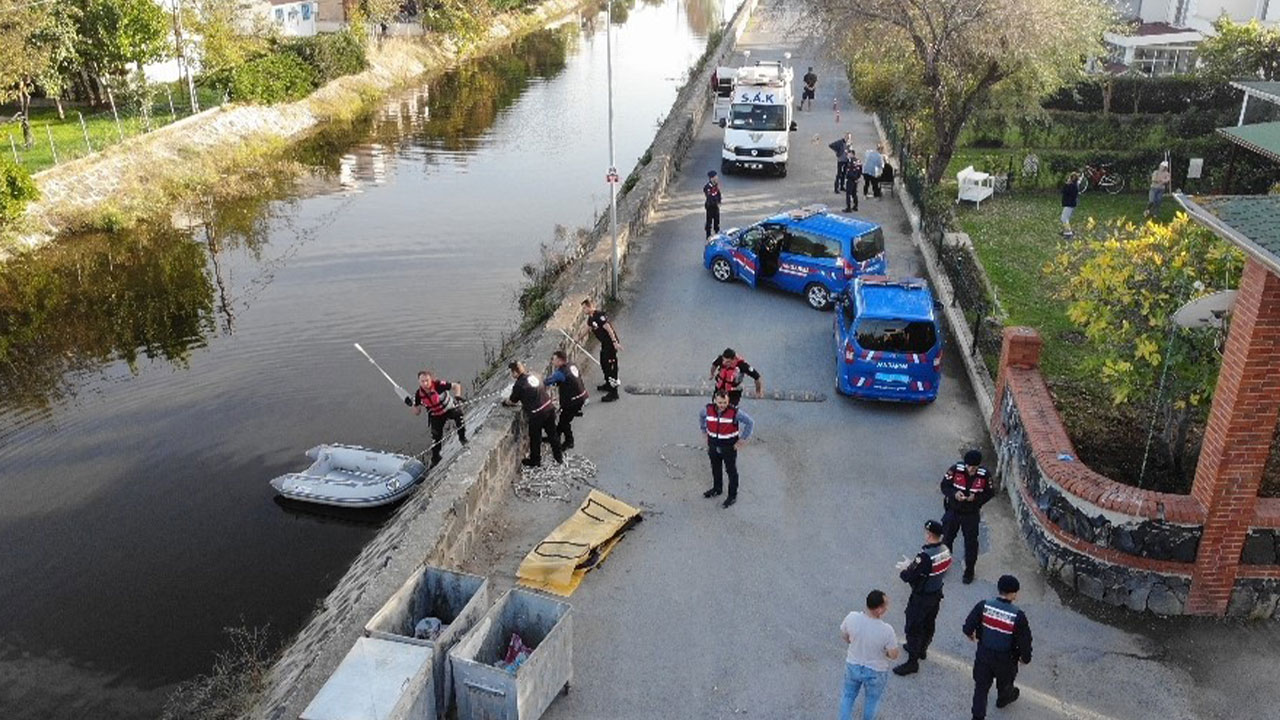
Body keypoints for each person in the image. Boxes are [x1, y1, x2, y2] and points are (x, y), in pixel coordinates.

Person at [964, 575, 1032, 720]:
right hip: (1006, 659)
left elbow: (968, 626)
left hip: (984, 654)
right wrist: (1025, 658)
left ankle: (977, 717)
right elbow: (1025, 640)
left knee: (981, 689)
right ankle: (1003, 699)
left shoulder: (983, 605)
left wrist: (970, 634)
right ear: (1013, 594)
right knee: (1005, 683)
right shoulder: (1018, 616)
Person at [893, 519, 951, 676]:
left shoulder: (925, 556)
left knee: (913, 627)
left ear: (929, 535)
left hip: (922, 597)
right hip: (936, 593)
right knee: (928, 623)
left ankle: (912, 662)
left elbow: (908, 576)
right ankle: (922, 650)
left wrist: (906, 568)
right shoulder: (945, 550)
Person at [838, 589, 900, 720]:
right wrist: (887, 654)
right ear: (878, 610)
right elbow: (893, 654)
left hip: (853, 665)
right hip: (876, 671)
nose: (887, 608)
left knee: (848, 696)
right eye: (885, 605)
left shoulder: (852, 617)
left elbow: (845, 635)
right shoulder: (887, 630)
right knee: (872, 700)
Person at [941, 449, 993, 584]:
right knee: (947, 539)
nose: (971, 470)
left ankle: (969, 570)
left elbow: (990, 493)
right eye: (969, 466)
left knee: (970, 544)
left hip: (971, 514)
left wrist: (976, 498)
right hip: (953, 511)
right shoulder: (955, 470)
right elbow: (944, 486)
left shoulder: (984, 475)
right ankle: (943, 565)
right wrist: (954, 494)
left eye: (974, 467)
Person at [699, 389, 754, 508]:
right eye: (720, 403)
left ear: (728, 401)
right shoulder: (707, 410)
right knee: (715, 467)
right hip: (713, 445)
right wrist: (704, 431)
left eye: (725, 403)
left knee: (731, 471)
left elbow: (750, 422)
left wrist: (742, 439)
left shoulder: (735, 412)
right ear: (715, 400)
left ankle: (732, 496)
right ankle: (717, 489)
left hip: (728, 447)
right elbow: (701, 417)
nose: (722, 405)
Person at [503, 361, 562, 467]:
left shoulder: (519, 385)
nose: (512, 375)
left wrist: (505, 402)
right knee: (553, 434)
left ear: (515, 373)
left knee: (535, 437)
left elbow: (512, 401)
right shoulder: (534, 375)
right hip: (548, 407)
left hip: (537, 414)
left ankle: (535, 460)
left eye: (512, 373)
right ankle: (559, 457)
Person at [406, 371, 467, 469]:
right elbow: (417, 412)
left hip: (448, 409)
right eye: (422, 381)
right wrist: (410, 405)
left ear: (431, 380)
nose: (425, 384)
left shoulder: (439, 385)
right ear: (419, 382)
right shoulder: (418, 394)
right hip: (436, 415)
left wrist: (457, 397)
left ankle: (462, 438)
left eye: (427, 381)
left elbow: (456, 386)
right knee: (436, 439)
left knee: (459, 416)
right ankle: (436, 458)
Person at [546, 350, 588, 449]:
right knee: (563, 419)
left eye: (554, 359)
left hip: (572, 401)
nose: (552, 361)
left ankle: (569, 441)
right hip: (581, 396)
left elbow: (547, 382)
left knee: (565, 422)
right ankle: (555, 436)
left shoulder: (560, 373)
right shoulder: (572, 365)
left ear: (560, 361)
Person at [582, 297, 621, 402]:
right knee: (603, 363)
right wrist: (577, 339)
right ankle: (608, 384)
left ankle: (614, 393)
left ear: (590, 307)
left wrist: (615, 342)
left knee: (611, 367)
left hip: (610, 344)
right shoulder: (591, 319)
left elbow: (609, 328)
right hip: (604, 344)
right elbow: (587, 329)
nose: (583, 310)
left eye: (585, 308)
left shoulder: (599, 316)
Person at [1060, 172, 1080, 237]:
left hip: (1069, 204)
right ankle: (1067, 230)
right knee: (1066, 218)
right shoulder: (1074, 185)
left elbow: (1063, 190)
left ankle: (1068, 231)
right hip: (1070, 204)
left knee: (1064, 218)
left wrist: (1067, 184)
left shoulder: (1071, 186)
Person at [703, 170, 722, 238]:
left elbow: (718, 194)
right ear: (711, 178)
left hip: (716, 207)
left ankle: (717, 233)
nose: (717, 178)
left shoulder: (716, 186)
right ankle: (708, 235)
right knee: (709, 221)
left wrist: (719, 202)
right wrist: (715, 202)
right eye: (715, 177)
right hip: (710, 206)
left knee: (717, 221)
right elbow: (710, 197)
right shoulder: (707, 187)